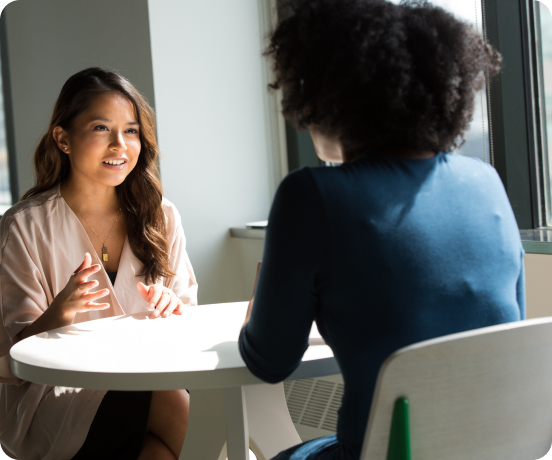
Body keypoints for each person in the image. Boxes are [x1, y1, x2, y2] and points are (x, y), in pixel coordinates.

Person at [238, 1, 524, 459]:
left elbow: (269, 361)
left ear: (330, 97)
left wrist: (259, 314)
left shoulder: (311, 195)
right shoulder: (486, 183)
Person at [0, 68, 197, 460]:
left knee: (167, 416)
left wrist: (172, 308)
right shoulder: (22, 227)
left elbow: (187, 319)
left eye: (131, 131)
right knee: (170, 403)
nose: (119, 145)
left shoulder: (162, 216)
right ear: (63, 139)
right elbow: (9, 359)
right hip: (53, 400)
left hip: (149, 382)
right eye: (101, 128)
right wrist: (57, 315)